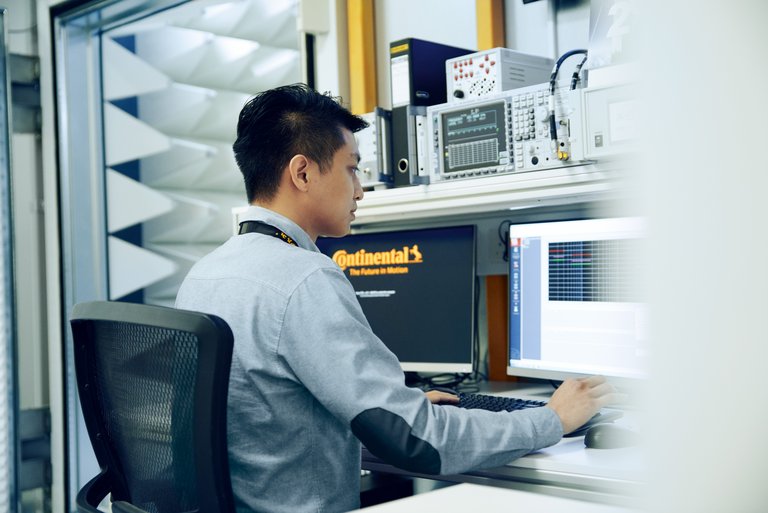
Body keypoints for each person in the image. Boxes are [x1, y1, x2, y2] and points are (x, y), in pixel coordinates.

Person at [175, 84, 619, 513]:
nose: (360, 190)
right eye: (351, 169)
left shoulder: (205, 275)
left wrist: (395, 410)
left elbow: (267, 420)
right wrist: (553, 419)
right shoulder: (305, 278)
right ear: (303, 173)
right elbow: (417, 443)